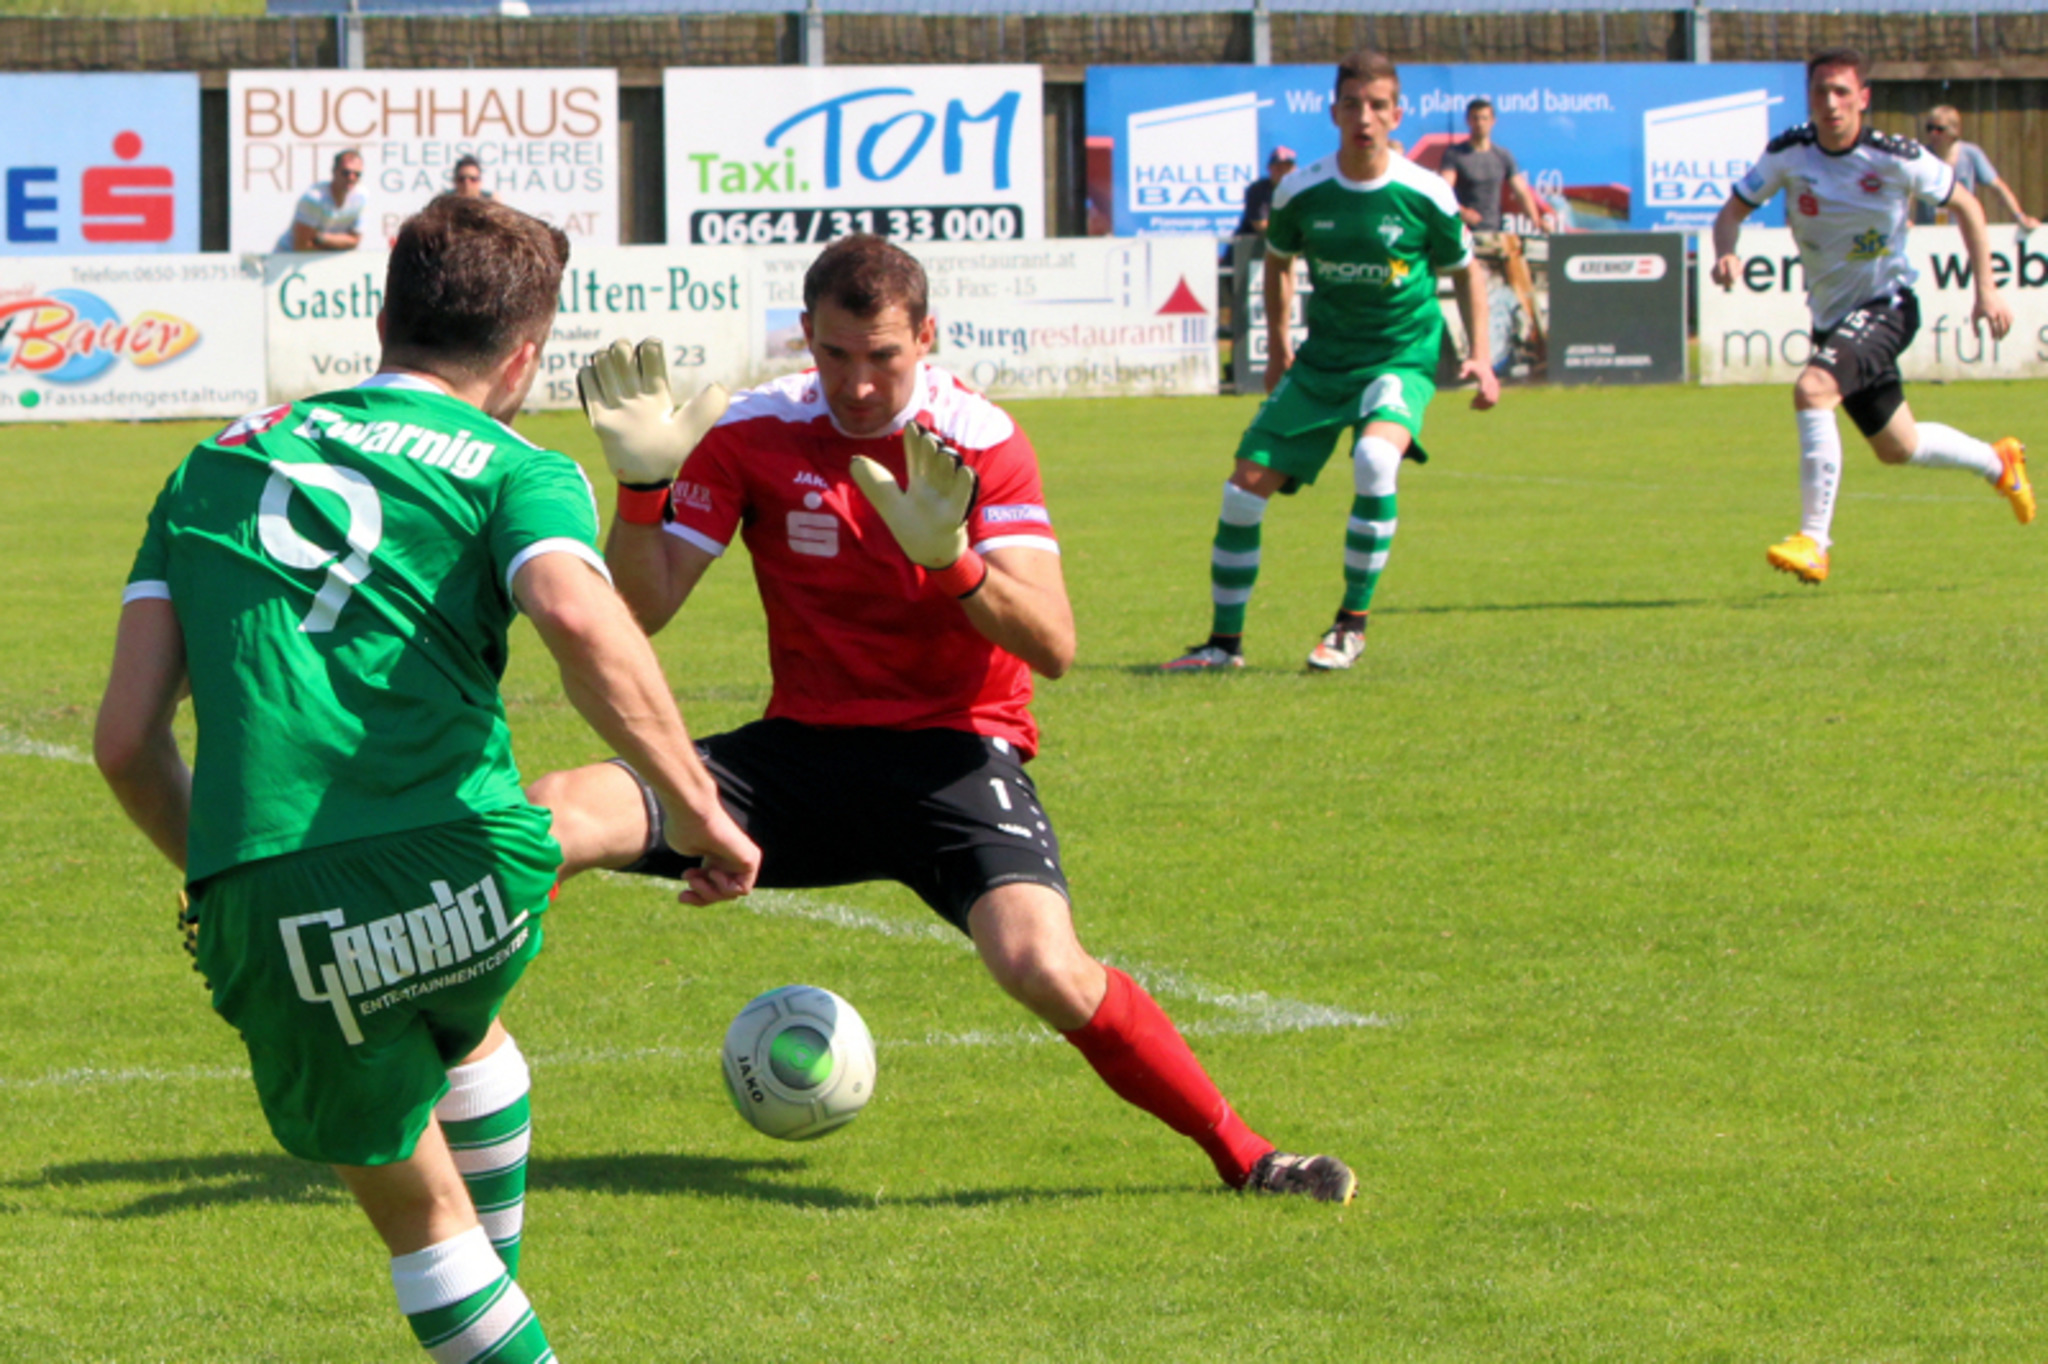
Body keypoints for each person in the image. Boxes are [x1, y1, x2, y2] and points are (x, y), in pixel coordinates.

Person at [530, 233, 1358, 1205]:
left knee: (1040, 963)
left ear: (925, 338)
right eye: (834, 354)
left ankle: (1250, 1157)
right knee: (547, 816)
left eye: (882, 356)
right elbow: (641, 608)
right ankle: (444, 1090)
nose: (858, 384)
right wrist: (640, 494)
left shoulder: (979, 439)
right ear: (805, 336)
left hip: (955, 758)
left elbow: (1053, 643)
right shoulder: (754, 431)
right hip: (800, 755)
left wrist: (953, 562)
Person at [95, 194, 759, 1362]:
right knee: (473, 1030)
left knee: (426, 1222)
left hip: (284, 903)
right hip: (473, 880)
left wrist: (225, 879)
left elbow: (123, 742)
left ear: (381, 317)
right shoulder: (517, 465)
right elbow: (578, 612)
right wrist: (702, 810)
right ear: (524, 356)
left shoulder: (207, 468)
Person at [1163, 48, 1500, 674]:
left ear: (1397, 114)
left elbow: (1466, 271)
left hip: (1400, 356)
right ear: (1333, 112)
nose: (1364, 117)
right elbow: (1278, 263)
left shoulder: (1426, 192)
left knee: (1374, 459)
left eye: (1377, 105)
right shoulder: (1301, 190)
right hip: (1322, 363)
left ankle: (1350, 626)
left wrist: (1480, 356)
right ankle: (1223, 646)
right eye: (1352, 104)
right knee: (1241, 491)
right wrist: (1279, 346)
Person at [1710, 49, 2030, 585]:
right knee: (1898, 447)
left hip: (1887, 306)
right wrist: (1726, 252)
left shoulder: (1895, 156)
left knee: (1813, 389)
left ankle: (1814, 541)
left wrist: (1987, 290)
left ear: (1863, 98)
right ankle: (1999, 463)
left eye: (1841, 91)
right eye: (1821, 91)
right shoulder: (1789, 153)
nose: (1831, 103)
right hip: (1832, 321)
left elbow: (1969, 207)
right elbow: (1731, 213)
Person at [1439, 97, 1558, 237]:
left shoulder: (1502, 156)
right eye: (1475, 118)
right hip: (1463, 233)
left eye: (1484, 118)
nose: (1480, 123)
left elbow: (1521, 191)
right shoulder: (1455, 154)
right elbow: (1442, 191)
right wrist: (1462, 212)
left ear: (1493, 121)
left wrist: (1536, 219)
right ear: (1468, 121)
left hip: (1494, 232)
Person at [1912, 106, 2039, 232]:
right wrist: (1905, 220)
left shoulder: (1971, 154)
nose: (1932, 134)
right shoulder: (1922, 156)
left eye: (1939, 129)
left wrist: (2020, 217)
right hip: (1928, 232)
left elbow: (1998, 188)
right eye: (1929, 128)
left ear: (1953, 130)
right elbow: (1907, 189)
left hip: (1964, 230)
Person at [286, 149, 367, 252]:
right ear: (334, 171)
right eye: (346, 173)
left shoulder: (361, 197)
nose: (351, 178)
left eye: (357, 174)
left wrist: (320, 238)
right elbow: (301, 247)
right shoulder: (314, 199)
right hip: (286, 257)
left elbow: (355, 241)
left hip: (329, 258)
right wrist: (340, 243)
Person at [1233, 146, 1296, 240]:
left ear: (1294, 169)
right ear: (1269, 169)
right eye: (1278, 168)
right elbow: (1260, 225)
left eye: (1287, 168)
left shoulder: (1300, 190)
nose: (1283, 172)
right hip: (1252, 243)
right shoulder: (1258, 189)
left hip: (1288, 241)